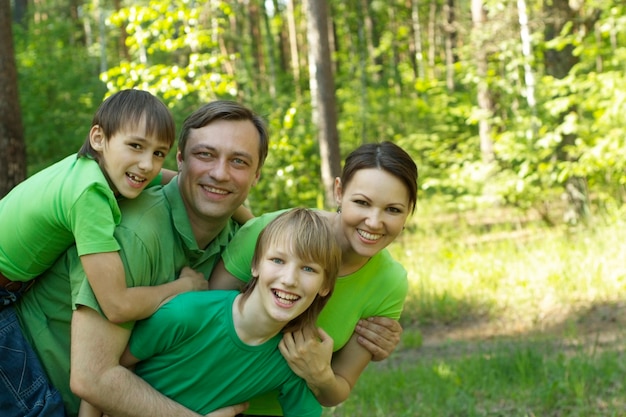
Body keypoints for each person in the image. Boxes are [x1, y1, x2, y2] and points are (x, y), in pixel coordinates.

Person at [14, 99, 270, 417]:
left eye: (239, 162)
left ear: (257, 174)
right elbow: (93, 378)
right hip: (29, 389)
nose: (219, 173)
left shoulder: (236, 240)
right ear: (180, 160)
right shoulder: (134, 233)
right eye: (205, 155)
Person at [0, 89, 206, 416]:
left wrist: (245, 216)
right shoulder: (89, 194)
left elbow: (175, 179)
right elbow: (117, 305)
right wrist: (184, 287)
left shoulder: (89, 169)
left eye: (158, 153)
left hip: (11, 288)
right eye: (136, 146)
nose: (147, 165)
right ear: (99, 137)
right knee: (38, 408)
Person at [210, 140, 418, 415]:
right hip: (209, 399)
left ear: (408, 213)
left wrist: (320, 374)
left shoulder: (389, 282)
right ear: (339, 192)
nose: (374, 222)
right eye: (362, 203)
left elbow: (337, 390)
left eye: (393, 209)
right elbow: (205, 320)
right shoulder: (267, 233)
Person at [79, 208, 342, 417]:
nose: (289, 279)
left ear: (325, 286)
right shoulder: (186, 314)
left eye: (308, 269)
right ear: (255, 265)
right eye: (278, 260)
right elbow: (104, 380)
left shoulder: (293, 359)